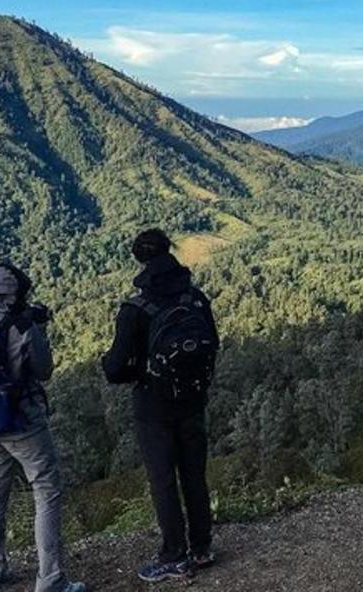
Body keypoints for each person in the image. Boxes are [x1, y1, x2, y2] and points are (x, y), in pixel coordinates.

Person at [0, 261, 85, 592]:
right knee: (46, 491)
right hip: (24, 422)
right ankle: (51, 580)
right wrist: (37, 330)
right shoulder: (23, 327)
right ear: (16, 295)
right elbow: (43, 371)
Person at [102, 229, 218, 582]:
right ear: (169, 252)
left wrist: (123, 366)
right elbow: (212, 343)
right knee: (194, 474)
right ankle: (202, 547)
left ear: (140, 259)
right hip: (193, 397)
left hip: (153, 405)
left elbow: (116, 368)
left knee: (163, 479)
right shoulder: (195, 299)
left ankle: (174, 555)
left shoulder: (136, 308)